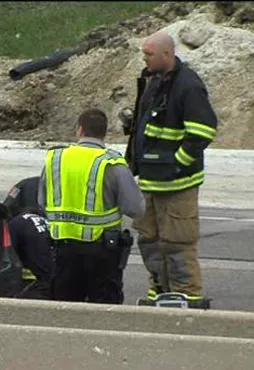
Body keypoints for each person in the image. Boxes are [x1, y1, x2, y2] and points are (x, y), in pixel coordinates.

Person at [121, 31, 218, 306]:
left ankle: (188, 298)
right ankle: (160, 293)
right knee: (150, 242)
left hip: (177, 185)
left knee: (178, 244)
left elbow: (203, 130)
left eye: (149, 54)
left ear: (167, 54)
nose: (144, 58)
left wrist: (178, 164)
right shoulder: (156, 82)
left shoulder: (188, 86)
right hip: (151, 183)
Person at [38, 108, 145, 304]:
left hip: (63, 248)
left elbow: (42, 201)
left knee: (64, 311)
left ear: (79, 130)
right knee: (103, 313)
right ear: (104, 133)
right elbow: (136, 209)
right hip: (102, 252)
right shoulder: (112, 163)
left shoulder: (56, 159)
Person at [8, 205, 54, 299]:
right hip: (56, 269)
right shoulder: (46, 221)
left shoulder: (16, 222)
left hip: (41, 276)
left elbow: (11, 251)